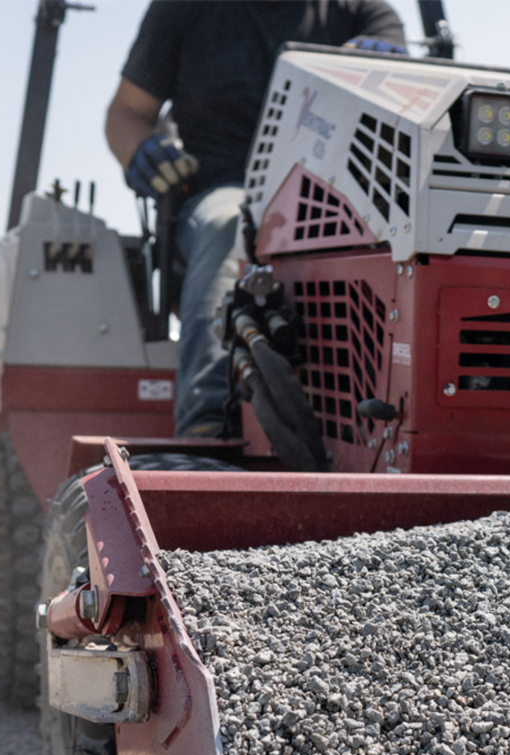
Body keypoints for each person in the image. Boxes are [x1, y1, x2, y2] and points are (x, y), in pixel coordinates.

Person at [106, 0, 407, 437]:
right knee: (231, 224)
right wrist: (140, 152)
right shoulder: (183, 10)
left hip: (340, 198)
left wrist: (394, 72)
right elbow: (126, 113)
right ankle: (209, 424)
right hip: (221, 191)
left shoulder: (363, 12)